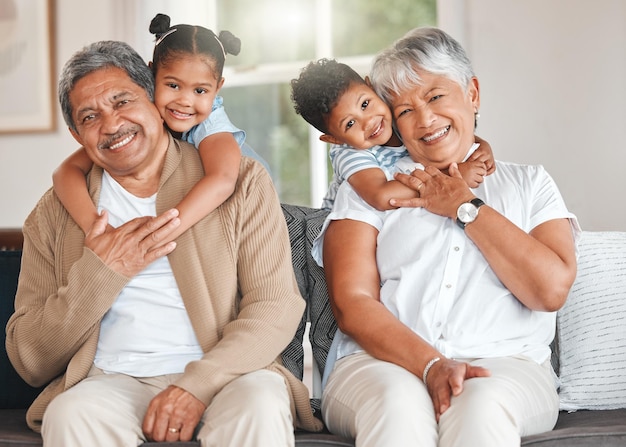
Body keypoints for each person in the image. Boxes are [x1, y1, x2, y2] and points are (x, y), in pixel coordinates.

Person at [5, 40, 322, 446]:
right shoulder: (52, 214)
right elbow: (29, 357)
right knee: (70, 415)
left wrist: (197, 385)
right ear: (76, 134)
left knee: (259, 405)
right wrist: (104, 272)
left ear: (154, 100)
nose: (112, 124)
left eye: (122, 101)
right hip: (110, 380)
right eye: (90, 116)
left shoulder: (241, 181)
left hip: (228, 374)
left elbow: (276, 306)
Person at [314, 27, 579, 446]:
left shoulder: (530, 184)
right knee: (398, 405)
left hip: (508, 366)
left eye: (436, 97)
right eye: (404, 111)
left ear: (472, 93)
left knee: (480, 401)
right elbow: (353, 305)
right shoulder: (369, 193)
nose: (425, 121)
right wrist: (431, 365)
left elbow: (550, 290)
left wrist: (464, 205)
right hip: (378, 364)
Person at [52, 13, 269, 237]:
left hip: (261, 213)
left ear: (217, 88)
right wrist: (94, 228)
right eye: (173, 85)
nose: (185, 101)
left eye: (200, 91)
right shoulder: (143, 115)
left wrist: (161, 231)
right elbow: (65, 172)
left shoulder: (213, 127)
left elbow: (222, 181)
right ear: (152, 72)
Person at [290, 58, 495, 211]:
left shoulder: (394, 119)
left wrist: (482, 146)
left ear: (371, 87)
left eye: (365, 104)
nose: (369, 121)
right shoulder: (349, 153)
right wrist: (454, 175)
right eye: (350, 123)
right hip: (339, 230)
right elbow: (381, 196)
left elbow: (440, 132)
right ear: (334, 139)